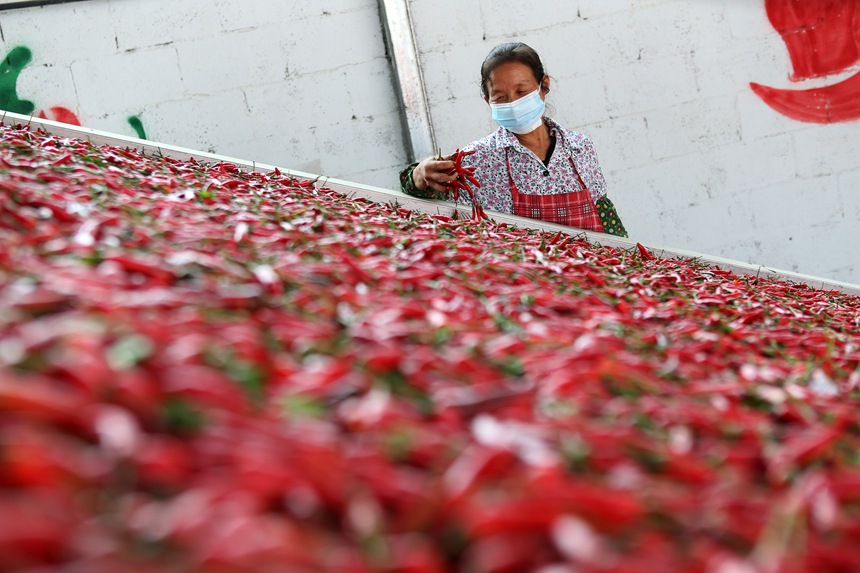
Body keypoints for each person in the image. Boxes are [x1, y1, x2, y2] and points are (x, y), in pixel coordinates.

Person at [399, 42, 627, 237]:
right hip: (521, 282)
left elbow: (605, 215)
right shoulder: (477, 158)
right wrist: (419, 174)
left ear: (544, 85)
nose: (513, 103)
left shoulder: (579, 148)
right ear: (488, 101)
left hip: (589, 278)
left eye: (521, 92)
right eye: (500, 97)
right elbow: (419, 188)